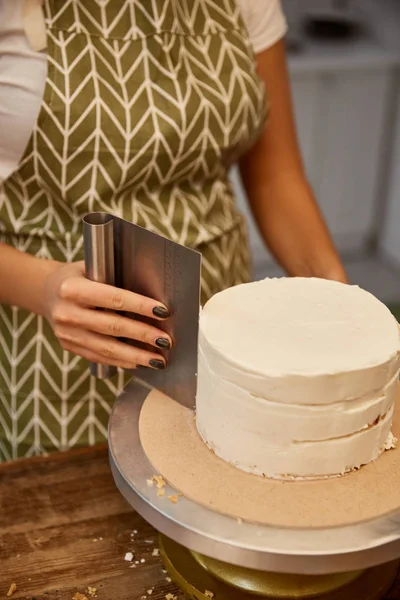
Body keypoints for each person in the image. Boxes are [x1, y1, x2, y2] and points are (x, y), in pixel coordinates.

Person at [0, 0, 347, 461]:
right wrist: (44, 287)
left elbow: (276, 177)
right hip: (59, 335)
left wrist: (339, 300)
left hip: (218, 326)